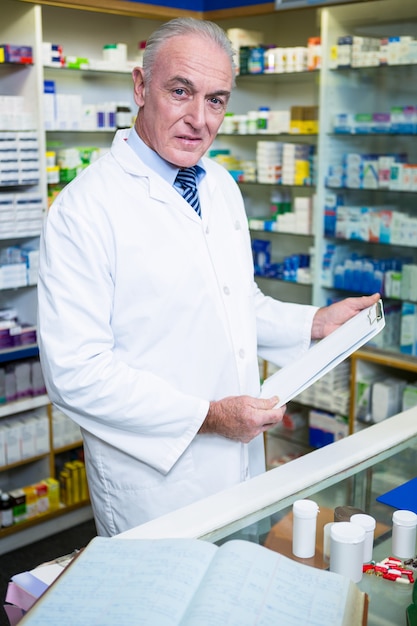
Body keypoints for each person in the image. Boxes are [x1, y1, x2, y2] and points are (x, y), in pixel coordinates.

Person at [37, 17, 380, 537]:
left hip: (241, 463)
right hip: (157, 481)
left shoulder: (219, 184)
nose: (199, 119)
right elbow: (75, 373)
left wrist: (314, 322)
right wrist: (211, 416)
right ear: (140, 86)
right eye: (181, 92)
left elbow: (234, 301)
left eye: (216, 100)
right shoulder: (85, 208)